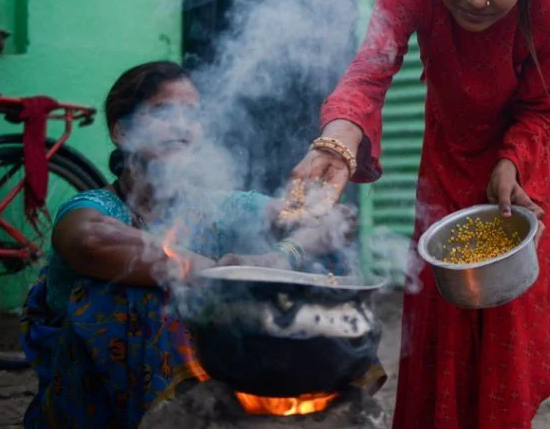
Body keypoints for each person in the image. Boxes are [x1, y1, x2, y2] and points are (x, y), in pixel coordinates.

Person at [292, 0, 550, 428]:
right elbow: (369, 71)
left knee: (507, 330)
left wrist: (511, 161)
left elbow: (544, 107)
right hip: (448, 161)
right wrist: (336, 143)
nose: (477, 0)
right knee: (445, 313)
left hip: (523, 174)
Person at [20, 61, 371, 428]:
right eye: (163, 111)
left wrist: (283, 256)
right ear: (121, 132)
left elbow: (336, 221)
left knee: (320, 274)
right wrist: (220, 272)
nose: (182, 125)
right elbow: (89, 239)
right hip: (94, 404)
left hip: (201, 396)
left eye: (193, 113)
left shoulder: (217, 206)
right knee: (144, 293)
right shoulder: (93, 207)